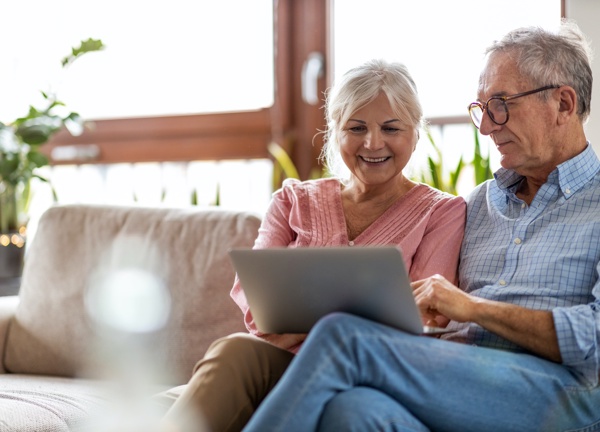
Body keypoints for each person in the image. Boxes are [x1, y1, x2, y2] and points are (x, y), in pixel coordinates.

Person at [242, 20, 600, 432]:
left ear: (564, 104)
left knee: (344, 336)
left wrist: (471, 308)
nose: (485, 125)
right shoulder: (479, 203)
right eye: (482, 108)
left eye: (501, 103)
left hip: (558, 390)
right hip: (454, 377)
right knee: (352, 411)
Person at [161, 59, 466, 431]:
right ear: (334, 132)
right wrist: (345, 319)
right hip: (284, 366)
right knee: (236, 349)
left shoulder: (442, 212)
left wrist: (307, 324)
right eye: (356, 128)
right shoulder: (292, 200)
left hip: (367, 377)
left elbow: (420, 320)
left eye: (391, 128)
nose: (373, 143)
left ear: (416, 134)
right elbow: (261, 313)